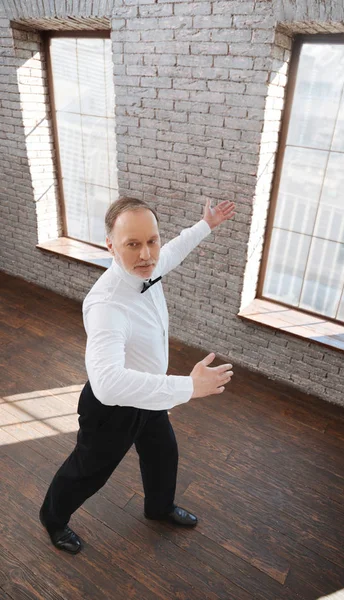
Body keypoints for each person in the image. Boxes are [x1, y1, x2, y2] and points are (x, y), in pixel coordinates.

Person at [39, 196, 235, 554]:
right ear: (110, 246)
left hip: (149, 394)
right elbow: (108, 384)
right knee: (88, 472)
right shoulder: (105, 306)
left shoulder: (149, 264)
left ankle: (158, 508)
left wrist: (206, 224)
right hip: (112, 410)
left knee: (164, 454)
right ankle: (53, 519)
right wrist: (190, 386)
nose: (146, 254)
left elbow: (172, 251)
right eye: (132, 244)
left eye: (151, 240)